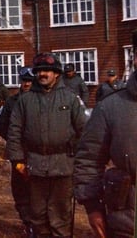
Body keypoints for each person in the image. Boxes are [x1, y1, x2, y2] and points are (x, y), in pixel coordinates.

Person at [6, 53, 87, 238]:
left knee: (60, 216)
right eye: (40, 70)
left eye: (48, 71)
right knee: (38, 215)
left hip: (63, 166)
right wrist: (17, 160)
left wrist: (80, 160)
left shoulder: (70, 98)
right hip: (34, 166)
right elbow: (14, 131)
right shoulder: (25, 100)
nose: (43, 74)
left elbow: (84, 131)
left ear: (57, 74)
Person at [74, 29, 137, 238]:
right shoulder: (110, 107)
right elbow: (88, 159)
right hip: (128, 221)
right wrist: (93, 206)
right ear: (135, 58)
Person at [0, 66, 35, 236]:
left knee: (38, 190)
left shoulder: (40, 99)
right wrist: (14, 141)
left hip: (37, 152)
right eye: (24, 81)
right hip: (19, 152)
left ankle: (39, 223)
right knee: (20, 189)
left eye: (29, 81)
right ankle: (28, 222)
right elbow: (1, 124)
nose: (26, 84)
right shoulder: (12, 102)